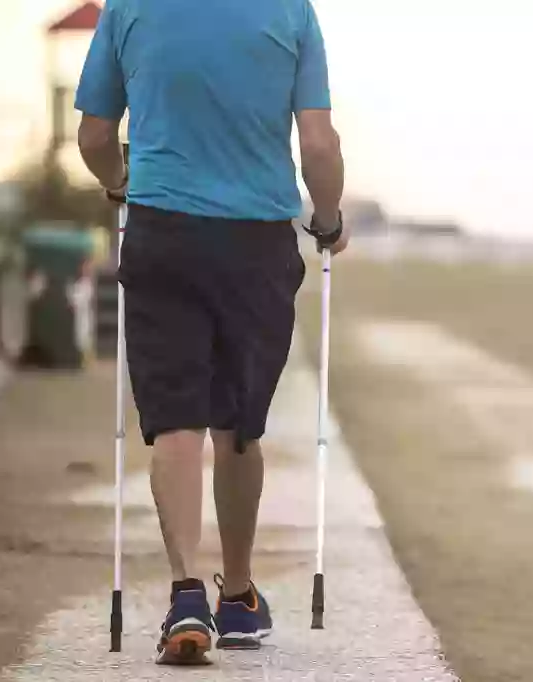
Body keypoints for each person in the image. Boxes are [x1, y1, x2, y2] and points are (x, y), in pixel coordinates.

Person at [74, 0, 349, 665]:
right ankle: (239, 596)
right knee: (238, 424)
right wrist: (330, 217)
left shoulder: (128, 8)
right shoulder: (290, 11)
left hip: (163, 230)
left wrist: (119, 184)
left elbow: (93, 136)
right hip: (256, 242)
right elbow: (317, 141)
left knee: (174, 421)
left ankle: (186, 596)